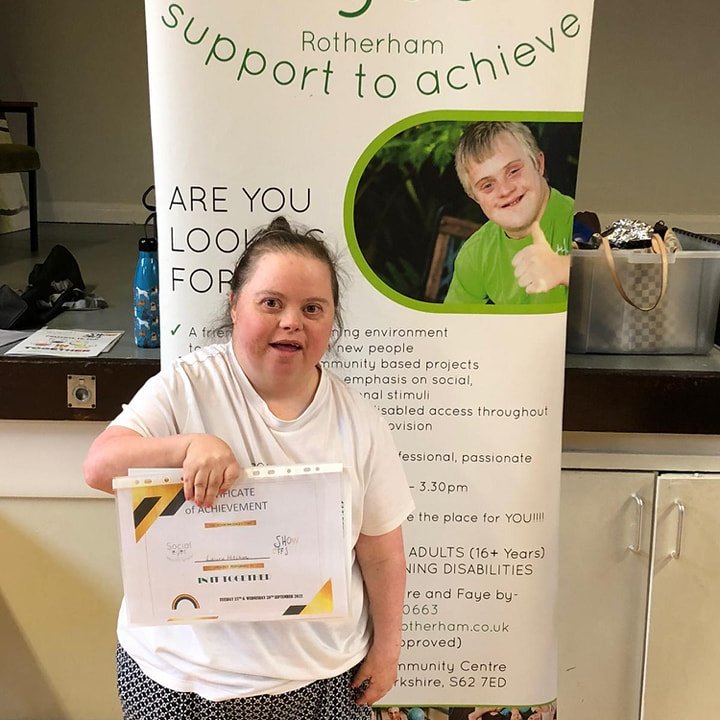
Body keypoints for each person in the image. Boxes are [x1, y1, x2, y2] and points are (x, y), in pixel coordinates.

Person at [83, 216, 415, 720]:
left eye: (312, 308)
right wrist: (188, 447)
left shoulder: (358, 420)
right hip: (181, 683)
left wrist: (388, 650)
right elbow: (99, 466)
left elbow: (382, 552)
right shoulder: (187, 386)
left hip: (321, 681)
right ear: (235, 305)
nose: (292, 321)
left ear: (332, 320)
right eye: (271, 303)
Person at [443, 121, 574, 305]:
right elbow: (457, 320)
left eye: (513, 171)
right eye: (487, 185)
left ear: (538, 164)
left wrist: (565, 269)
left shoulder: (582, 220)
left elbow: (617, 283)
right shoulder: (475, 253)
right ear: (474, 197)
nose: (505, 190)